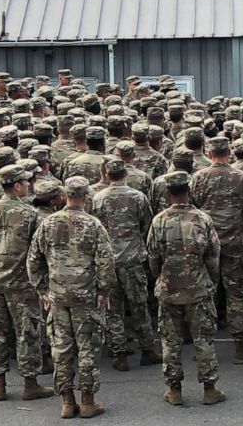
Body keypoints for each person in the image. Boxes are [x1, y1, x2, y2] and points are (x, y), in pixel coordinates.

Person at [27, 176, 116, 419]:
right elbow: (106, 262)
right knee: (87, 348)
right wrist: (104, 290)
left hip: (57, 295)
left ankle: (67, 402)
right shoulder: (93, 225)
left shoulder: (47, 223)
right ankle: (87, 401)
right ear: (85, 197)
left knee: (61, 349)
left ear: (65, 195)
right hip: (85, 296)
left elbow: (34, 260)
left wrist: (42, 289)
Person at [0, 164, 54, 402]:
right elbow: (41, 252)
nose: (29, 185)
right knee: (27, 333)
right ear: (17, 186)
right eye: (26, 182)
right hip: (23, 284)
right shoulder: (30, 214)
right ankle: (30, 384)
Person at [146, 170, 226, 407]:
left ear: (168, 193)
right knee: (204, 339)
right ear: (188, 190)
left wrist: (161, 277)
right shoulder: (202, 218)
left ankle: (175, 390)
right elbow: (213, 255)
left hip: (169, 289)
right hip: (198, 288)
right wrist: (210, 279)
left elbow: (152, 257)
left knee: (170, 342)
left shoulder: (159, 220)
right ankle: (210, 388)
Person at [190, 135, 243, 364]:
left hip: (206, 243)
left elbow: (193, 210)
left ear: (210, 153)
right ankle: (240, 345)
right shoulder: (241, 177)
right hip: (234, 242)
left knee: (206, 292)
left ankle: (206, 343)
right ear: (229, 152)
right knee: (236, 292)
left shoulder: (198, 178)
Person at [90, 157, 158, 371]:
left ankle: (119, 353)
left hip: (108, 263)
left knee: (113, 310)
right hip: (132, 260)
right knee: (139, 307)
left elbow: (95, 230)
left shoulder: (98, 198)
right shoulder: (138, 197)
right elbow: (147, 225)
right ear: (125, 174)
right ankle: (147, 350)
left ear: (107, 175)